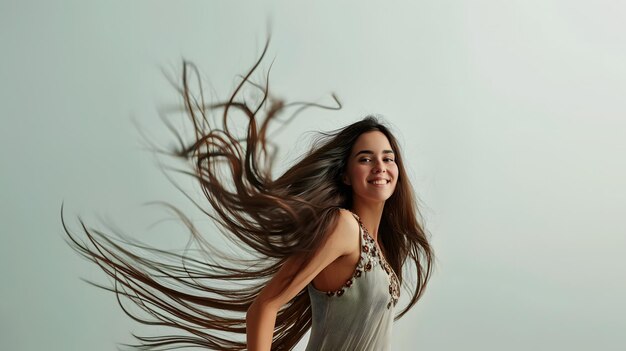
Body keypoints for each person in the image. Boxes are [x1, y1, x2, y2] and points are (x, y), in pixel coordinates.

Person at [62, 40, 434, 351]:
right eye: (365, 158)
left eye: (388, 158)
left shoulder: (380, 249)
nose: (380, 167)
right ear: (347, 175)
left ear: (398, 172)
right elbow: (263, 307)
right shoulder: (342, 227)